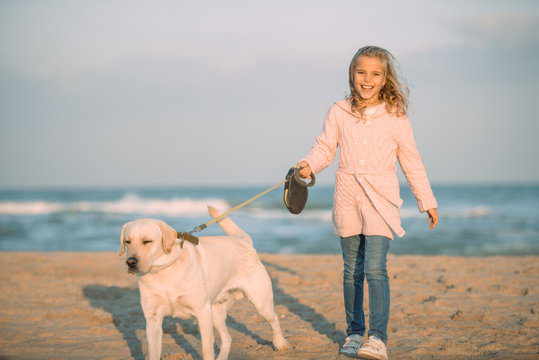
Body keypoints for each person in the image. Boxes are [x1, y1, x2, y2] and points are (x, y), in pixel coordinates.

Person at [296, 46, 439, 360]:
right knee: (351, 271)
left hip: (381, 200)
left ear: (384, 78)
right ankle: (354, 332)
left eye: (375, 73)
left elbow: (411, 162)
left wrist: (426, 200)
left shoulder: (396, 117)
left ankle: (377, 338)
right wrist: (308, 165)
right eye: (361, 72)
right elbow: (324, 148)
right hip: (347, 198)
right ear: (352, 74)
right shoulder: (338, 111)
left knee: (375, 268)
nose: (367, 79)